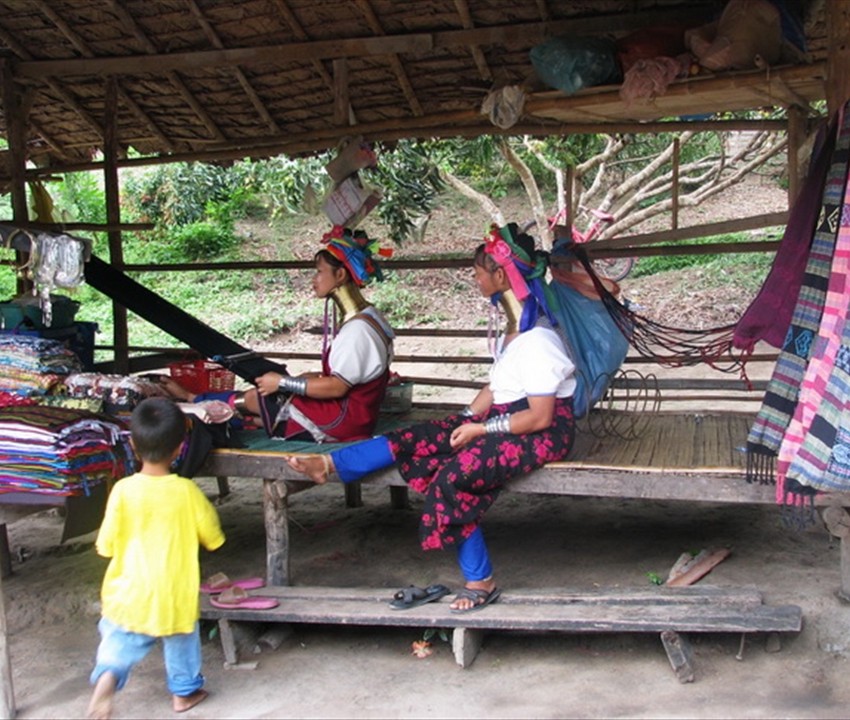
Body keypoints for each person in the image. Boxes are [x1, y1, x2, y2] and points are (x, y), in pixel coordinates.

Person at [288, 224, 576, 612]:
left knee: (453, 479)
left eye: (478, 271)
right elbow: (498, 388)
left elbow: (540, 417)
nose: (474, 278)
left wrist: (481, 428)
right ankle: (329, 464)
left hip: (541, 432)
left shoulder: (539, 340)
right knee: (418, 438)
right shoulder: (515, 333)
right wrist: (462, 419)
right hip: (511, 418)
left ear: (500, 275)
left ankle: (481, 581)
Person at [160, 227, 394, 443]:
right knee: (263, 410)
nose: (314, 280)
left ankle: (195, 402)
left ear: (340, 274)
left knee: (264, 398)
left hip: (343, 422)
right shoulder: (370, 316)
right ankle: (206, 405)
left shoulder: (357, 330)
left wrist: (283, 382)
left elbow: (337, 388)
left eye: (319, 272)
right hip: (356, 416)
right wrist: (307, 379)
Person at [86, 397, 225, 720]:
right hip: (174, 592)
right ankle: (184, 693)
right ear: (180, 448)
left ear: (132, 445)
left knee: (119, 638)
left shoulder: (122, 491)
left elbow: (105, 546)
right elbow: (213, 538)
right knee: (181, 639)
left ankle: (107, 680)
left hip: (128, 589)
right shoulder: (187, 492)